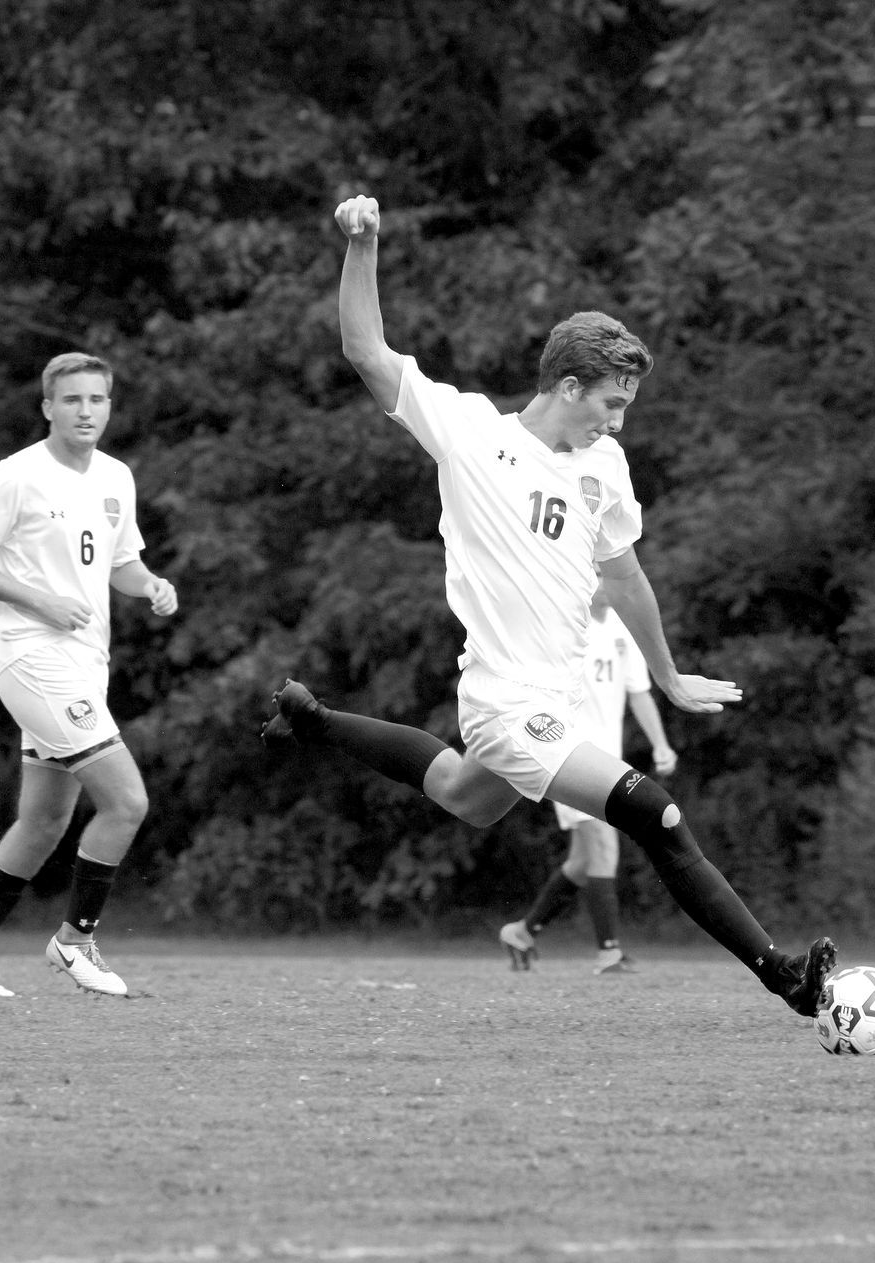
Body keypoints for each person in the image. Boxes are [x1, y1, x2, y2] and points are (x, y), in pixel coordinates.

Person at [263, 194, 836, 1017]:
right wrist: (366, 244)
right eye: (611, 402)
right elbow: (365, 348)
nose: (618, 421)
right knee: (657, 814)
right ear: (568, 387)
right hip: (508, 702)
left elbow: (626, 579)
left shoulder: (605, 468)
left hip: (562, 695)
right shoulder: (470, 435)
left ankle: (316, 722)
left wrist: (669, 679)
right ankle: (785, 976)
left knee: (464, 795)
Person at [0, 352, 177, 999]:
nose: (86, 411)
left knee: (42, 821)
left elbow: (121, 563)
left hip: (83, 666)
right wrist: (39, 601)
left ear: (110, 406)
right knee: (127, 802)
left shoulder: (117, 478)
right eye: (72, 400)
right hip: (32, 657)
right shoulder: (18, 476)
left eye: (97, 399)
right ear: (47, 407)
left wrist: (150, 585)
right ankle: (74, 941)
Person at [500, 587, 677, 974]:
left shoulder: (621, 628)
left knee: (582, 861)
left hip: (607, 759)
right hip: (565, 752)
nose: (607, 579)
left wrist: (660, 744)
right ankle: (609, 952)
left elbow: (639, 693)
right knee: (603, 845)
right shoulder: (562, 621)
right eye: (598, 570)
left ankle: (523, 932)